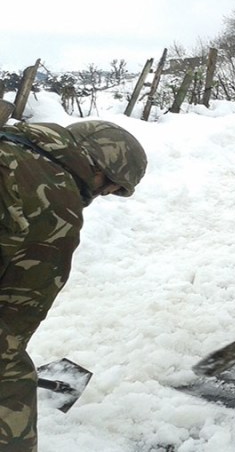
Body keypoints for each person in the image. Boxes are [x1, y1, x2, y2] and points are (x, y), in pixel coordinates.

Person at [0, 113, 147, 451]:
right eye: (109, 189)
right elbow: (11, 322)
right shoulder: (57, 207)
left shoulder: (10, 144)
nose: (103, 195)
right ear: (99, 172)